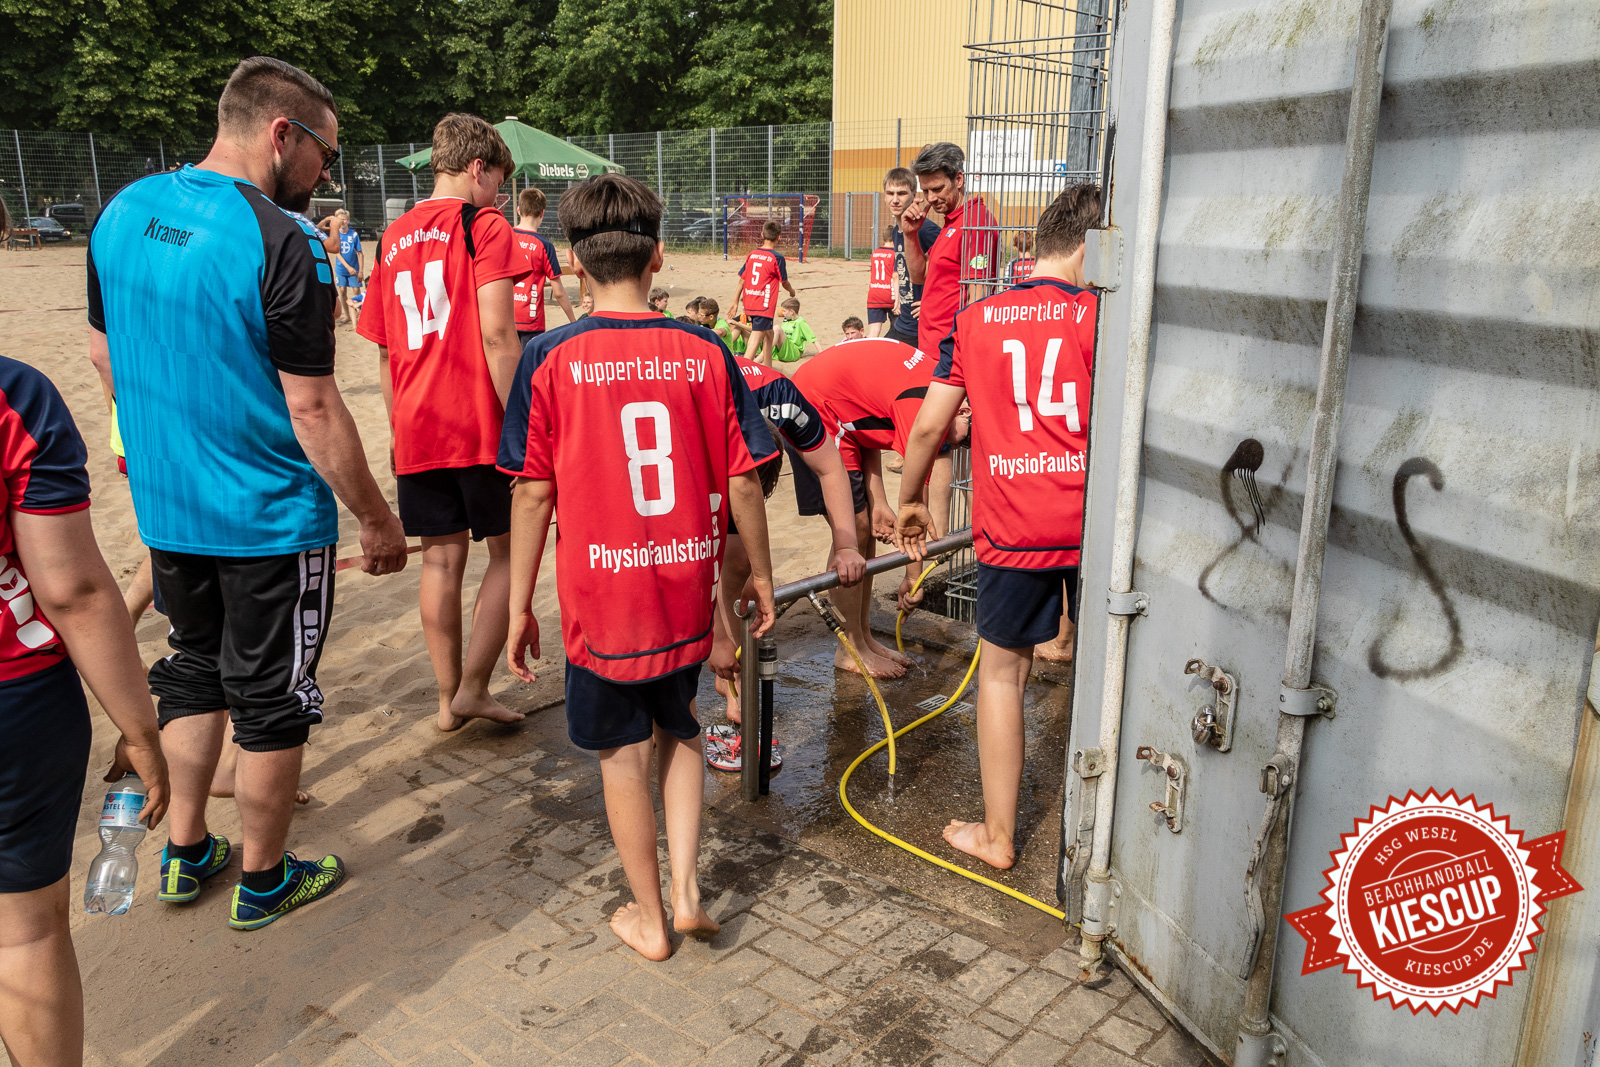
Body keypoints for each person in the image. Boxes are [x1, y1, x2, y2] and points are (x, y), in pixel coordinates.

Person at [86, 56, 408, 931]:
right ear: (281, 134)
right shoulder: (286, 240)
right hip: (265, 517)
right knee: (274, 696)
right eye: (324, 154)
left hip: (168, 507)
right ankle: (264, 878)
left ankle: (186, 850)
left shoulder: (123, 213)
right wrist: (376, 519)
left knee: (194, 668)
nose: (325, 175)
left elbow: (103, 356)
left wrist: (166, 438)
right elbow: (312, 407)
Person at [501, 173, 779, 961]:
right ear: (658, 256)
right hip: (683, 585)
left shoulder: (550, 357)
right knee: (681, 726)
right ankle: (689, 890)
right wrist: (757, 573)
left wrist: (520, 602)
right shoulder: (704, 349)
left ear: (573, 264)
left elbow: (532, 495)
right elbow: (746, 479)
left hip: (603, 598)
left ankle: (650, 918)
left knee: (621, 754)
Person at [0, 198, 171, 1066]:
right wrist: (140, 729)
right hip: (13, 698)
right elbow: (69, 588)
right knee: (23, 932)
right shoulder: (13, 395)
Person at [895, 184, 1100, 870]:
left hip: (1016, 523)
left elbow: (929, 424)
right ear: (1089, 248)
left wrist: (912, 496)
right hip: (1095, 518)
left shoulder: (978, 319)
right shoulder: (1102, 314)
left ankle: (998, 833)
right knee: (1114, 663)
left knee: (1001, 676)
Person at [358, 113, 529, 735]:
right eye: (498, 182)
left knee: (440, 561)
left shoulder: (393, 233)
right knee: (508, 555)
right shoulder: (483, 224)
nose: (501, 197)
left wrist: (398, 427)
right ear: (477, 168)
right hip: (476, 419)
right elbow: (497, 334)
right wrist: (523, 424)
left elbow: (382, 350)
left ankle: (443, 698)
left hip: (416, 421)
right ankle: (473, 689)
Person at [791, 336, 969, 677]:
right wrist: (913, 577)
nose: (953, 446)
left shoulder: (938, 390)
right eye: (958, 438)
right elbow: (919, 506)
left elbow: (865, 421)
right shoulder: (922, 407)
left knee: (864, 530)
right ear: (962, 408)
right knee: (851, 532)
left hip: (839, 411)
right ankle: (849, 649)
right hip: (814, 405)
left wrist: (879, 501)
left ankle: (864, 637)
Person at [712, 355, 867, 724]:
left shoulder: (781, 395)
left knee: (740, 559)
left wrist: (846, 544)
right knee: (710, 560)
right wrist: (718, 637)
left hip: (745, 415)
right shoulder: (702, 403)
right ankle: (719, 667)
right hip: (683, 462)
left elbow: (830, 467)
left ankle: (735, 672)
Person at [905, 143, 1000, 356]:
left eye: (937, 189)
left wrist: (959, 356)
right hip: (932, 349)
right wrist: (910, 234)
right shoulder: (952, 222)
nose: (930, 198)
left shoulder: (976, 223)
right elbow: (919, 277)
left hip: (950, 355)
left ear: (958, 180)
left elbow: (978, 299)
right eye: (926, 190)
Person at [512, 187, 577, 348]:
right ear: (542, 213)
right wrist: (573, 321)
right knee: (529, 369)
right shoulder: (544, 246)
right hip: (531, 321)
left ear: (518, 210)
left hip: (505, 317)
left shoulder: (506, 236)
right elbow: (558, 292)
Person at [883, 167, 940, 349]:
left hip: (920, 325)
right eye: (890, 193)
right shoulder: (896, 230)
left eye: (901, 193)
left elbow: (953, 267)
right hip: (903, 320)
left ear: (913, 195)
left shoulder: (925, 229)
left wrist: (933, 302)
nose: (895, 199)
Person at [730, 220, 796, 367]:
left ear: (761, 235)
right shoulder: (777, 258)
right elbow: (784, 282)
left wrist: (735, 302)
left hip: (749, 301)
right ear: (779, 237)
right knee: (756, 337)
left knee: (769, 333)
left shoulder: (752, 254)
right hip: (764, 305)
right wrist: (791, 291)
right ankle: (743, 372)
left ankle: (768, 367)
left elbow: (741, 280)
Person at [328, 209, 363, 324]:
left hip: (354, 268)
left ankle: (360, 314)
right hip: (342, 269)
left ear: (347, 220)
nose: (342, 222)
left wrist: (360, 271)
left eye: (343, 219)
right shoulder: (336, 235)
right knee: (342, 290)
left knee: (356, 290)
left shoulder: (353, 235)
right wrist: (347, 267)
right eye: (339, 219)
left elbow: (360, 253)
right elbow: (337, 253)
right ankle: (347, 315)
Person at [866, 225, 896, 337]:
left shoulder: (875, 252)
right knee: (896, 328)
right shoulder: (895, 253)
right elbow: (895, 276)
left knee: (873, 331)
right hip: (890, 294)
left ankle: (867, 353)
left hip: (874, 293)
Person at [773, 297, 819, 363]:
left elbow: (813, 339)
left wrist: (821, 353)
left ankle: (763, 354)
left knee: (777, 328)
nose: (782, 313)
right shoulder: (786, 320)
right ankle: (760, 353)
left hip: (793, 353)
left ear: (792, 311)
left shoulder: (800, 322)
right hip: (782, 351)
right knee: (764, 329)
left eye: (784, 311)